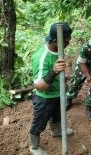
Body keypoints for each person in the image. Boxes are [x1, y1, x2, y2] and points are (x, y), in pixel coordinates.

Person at [30, 22, 74, 155]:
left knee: (57, 115)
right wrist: (53, 71)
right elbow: (39, 87)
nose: (69, 42)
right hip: (44, 98)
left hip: (57, 92)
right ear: (55, 40)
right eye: (66, 40)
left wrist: (64, 84)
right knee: (40, 122)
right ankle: (34, 147)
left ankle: (56, 131)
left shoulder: (59, 49)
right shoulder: (41, 58)